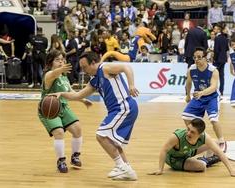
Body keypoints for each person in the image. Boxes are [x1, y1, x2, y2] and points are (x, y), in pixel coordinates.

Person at [53, 51, 139, 180]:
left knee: (101, 135)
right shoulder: (94, 80)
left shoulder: (105, 68)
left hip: (124, 107)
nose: (83, 70)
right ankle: (128, 170)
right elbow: (78, 95)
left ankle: (121, 166)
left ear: (93, 63)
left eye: (84, 67)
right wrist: (61, 94)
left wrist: (131, 85)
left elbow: (127, 67)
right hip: (118, 110)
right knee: (113, 141)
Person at [38, 50, 92, 173]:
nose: (61, 61)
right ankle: (61, 160)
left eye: (63, 59)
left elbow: (71, 91)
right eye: (58, 60)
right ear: (50, 62)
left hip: (63, 106)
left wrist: (83, 100)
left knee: (77, 128)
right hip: (49, 109)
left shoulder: (63, 76)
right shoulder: (48, 75)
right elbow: (54, 74)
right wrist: (60, 70)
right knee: (59, 132)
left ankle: (75, 156)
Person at [148, 118, 235, 176]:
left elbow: (220, 152)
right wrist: (160, 169)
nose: (188, 133)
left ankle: (208, 159)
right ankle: (205, 162)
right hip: (174, 159)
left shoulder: (204, 137)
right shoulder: (177, 136)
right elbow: (164, 150)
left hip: (187, 152)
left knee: (215, 142)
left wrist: (231, 170)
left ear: (200, 134)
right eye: (188, 129)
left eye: (192, 132)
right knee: (201, 167)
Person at [182, 47, 226, 152]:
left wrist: (202, 93)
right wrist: (188, 95)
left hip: (212, 97)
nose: (196, 59)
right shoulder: (191, 69)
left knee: (213, 119)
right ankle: (199, 136)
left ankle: (221, 141)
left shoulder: (213, 70)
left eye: (199, 57)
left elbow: (214, 87)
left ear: (206, 58)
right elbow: (188, 83)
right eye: (195, 57)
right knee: (186, 116)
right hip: (198, 97)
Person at [229, 37, 235, 107]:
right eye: (232, 45)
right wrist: (231, 70)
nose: (234, 46)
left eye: (234, 44)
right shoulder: (232, 54)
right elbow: (231, 63)